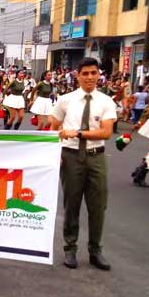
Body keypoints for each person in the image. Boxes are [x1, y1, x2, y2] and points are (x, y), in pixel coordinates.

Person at [51, 57, 116, 271]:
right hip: (70, 156)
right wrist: (55, 151)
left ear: (99, 75)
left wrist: (78, 133)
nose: (90, 77)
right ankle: (70, 249)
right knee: (72, 204)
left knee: (98, 206)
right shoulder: (65, 100)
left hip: (95, 156)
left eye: (93, 73)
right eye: (85, 73)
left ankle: (95, 250)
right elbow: (54, 126)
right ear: (77, 76)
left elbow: (106, 132)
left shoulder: (106, 101)